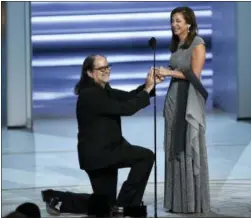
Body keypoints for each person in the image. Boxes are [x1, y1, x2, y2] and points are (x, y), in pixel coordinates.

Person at [41, 54, 164, 217]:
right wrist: (147, 89)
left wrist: (148, 85)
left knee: (104, 204)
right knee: (145, 157)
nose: (106, 71)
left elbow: (128, 97)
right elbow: (126, 109)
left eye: (107, 67)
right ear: (90, 73)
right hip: (100, 155)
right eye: (101, 68)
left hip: (109, 150)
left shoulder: (104, 90)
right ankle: (124, 206)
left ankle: (57, 198)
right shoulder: (90, 95)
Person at [155, 7, 211, 214]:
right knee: (173, 147)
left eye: (178, 21)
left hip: (188, 101)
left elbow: (194, 75)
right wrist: (163, 74)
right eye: (172, 21)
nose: (174, 24)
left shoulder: (198, 44)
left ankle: (191, 201)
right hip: (173, 99)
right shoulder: (177, 45)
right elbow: (177, 72)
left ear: (189, 23)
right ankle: (176, 201)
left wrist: (168, 72)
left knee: (188, 145)